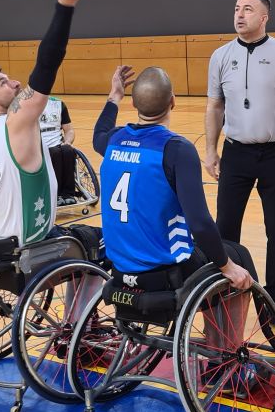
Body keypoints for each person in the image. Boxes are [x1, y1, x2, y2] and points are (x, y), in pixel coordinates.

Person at [0, 0, 94, 245]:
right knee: (104, 244)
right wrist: (65, 4)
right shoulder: (13, 124)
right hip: (32, 244)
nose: (16, 83)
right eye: (3, 83)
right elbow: (46, 64)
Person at [95, 65, 255, 293]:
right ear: (173, 101)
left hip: (119, 264)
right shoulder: (176, 150)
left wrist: (114, 95)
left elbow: (98, 135)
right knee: (238, 256)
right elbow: (199, 223)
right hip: (163, 267)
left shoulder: (113, 141)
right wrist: (227, 266)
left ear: (133, 103)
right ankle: (233, 319)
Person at [205, 0, 275, 321]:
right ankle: (223, 293)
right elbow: (215, 106)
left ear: (264, 17)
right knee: (225, 228)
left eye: (248, 9)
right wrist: (210, 150)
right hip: (236, 153)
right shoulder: (220, 56)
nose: (239, 14)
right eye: (237, 8)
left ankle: (274, 297)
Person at [40, 97, 82, 206]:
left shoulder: (58, 104)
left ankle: (68, 194)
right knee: (55, 153)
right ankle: (56, 193)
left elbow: (69, 130)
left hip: (58, 143)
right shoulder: (25, 105)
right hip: (37, 145)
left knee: (68, 150)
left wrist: (68, 141)